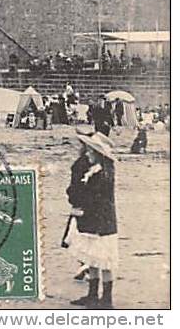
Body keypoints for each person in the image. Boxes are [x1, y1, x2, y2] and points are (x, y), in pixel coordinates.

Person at [67, 131, 118, 309]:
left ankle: (106, 299)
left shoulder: (103, 173)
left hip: (102, 223)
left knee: (105, 261)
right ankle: (93, 295)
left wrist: (78, 197)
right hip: (94, 221)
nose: (87, 153)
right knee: (93, 258)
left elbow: (94, 197)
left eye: (90, 151)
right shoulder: (96, 170)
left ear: (98, 154)